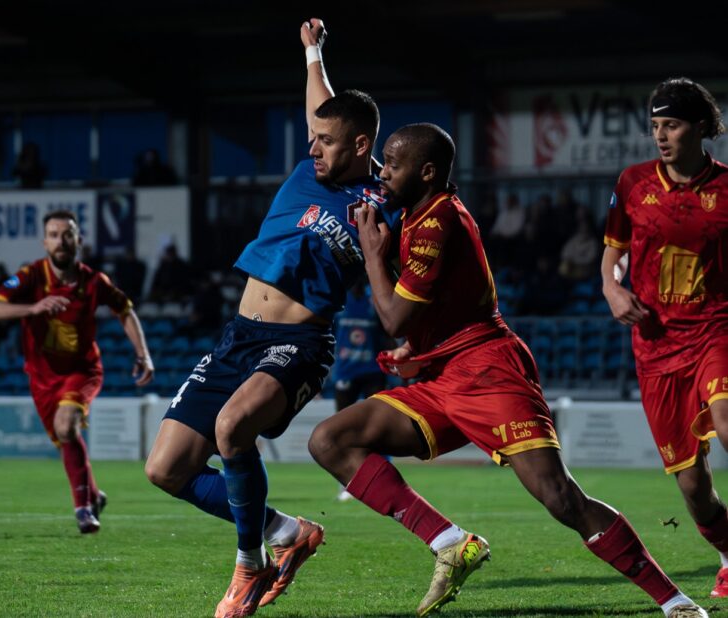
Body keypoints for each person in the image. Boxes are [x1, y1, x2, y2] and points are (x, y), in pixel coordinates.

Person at [308, 123, 708, 618]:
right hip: (443, 376)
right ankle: (451, 541)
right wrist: (420, 346)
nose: (384, 173)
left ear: (427, 171)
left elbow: (391, 319)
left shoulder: (437, 222)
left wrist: (373, 256)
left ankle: (674, 600)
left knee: (560, 498)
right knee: (331, 440)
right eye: (384, 162)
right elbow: (431, 309)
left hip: (489, 371)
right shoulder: (416, 213)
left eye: (393, 163)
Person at [143, 18, 400, 618]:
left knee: (234, 428)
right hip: (239, 336)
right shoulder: (313, 166)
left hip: (299, 341)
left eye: (325, 141)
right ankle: (288, 532)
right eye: (312, 138)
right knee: (165, 469)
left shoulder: (385, 205)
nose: (313, 147)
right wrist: (314, 53)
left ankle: (248, 568)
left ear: (360, 146)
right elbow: (322, 106)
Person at [601, 76, 728, 600]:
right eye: (655, 126)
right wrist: (612, 292)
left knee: (727, 420)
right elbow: (613, 256)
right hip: (655, 348)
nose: (661, 135)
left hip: (716, 329)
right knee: (694, 489)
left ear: (700, 127)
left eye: (671, 125)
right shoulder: (632, 183)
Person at [0, 210, 153, 534]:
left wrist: (143, 354)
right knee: (66, 437)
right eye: (54, 234)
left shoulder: (94, 281)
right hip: (42, 376)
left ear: (79, 240)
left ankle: (83, 509)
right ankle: (95, 494)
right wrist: (32, 308)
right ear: (44, 241)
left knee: (65, 425)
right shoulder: (29, 276)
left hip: (82, 371)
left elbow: (126, 311)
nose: (61, 240)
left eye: (67, 234)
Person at [331, 275, 390, 501]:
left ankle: (383, 477)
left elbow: (386, 335)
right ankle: (346, 482)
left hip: (372, 371)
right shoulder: (339, 302)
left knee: (379, 425)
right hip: (345, 371)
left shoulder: (374, 301)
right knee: (340, 427)